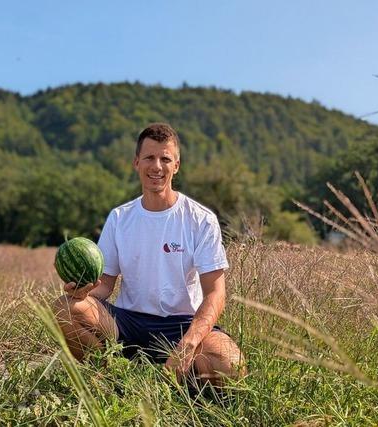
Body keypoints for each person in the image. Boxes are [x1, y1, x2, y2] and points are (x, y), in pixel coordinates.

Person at [53, 123, 245, 386]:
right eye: (149, 158)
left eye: (165, 159)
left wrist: (188, 342)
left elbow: (215, 293)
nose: (157, 166)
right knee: (64, 308)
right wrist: (82, 293)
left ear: (176, 165)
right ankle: (116, 381)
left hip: (182, 323)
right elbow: (105, 284)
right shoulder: (120, 218)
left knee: (229, 364)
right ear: (136, 162)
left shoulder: (200, 219)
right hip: (127, 322)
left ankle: (177, 383)